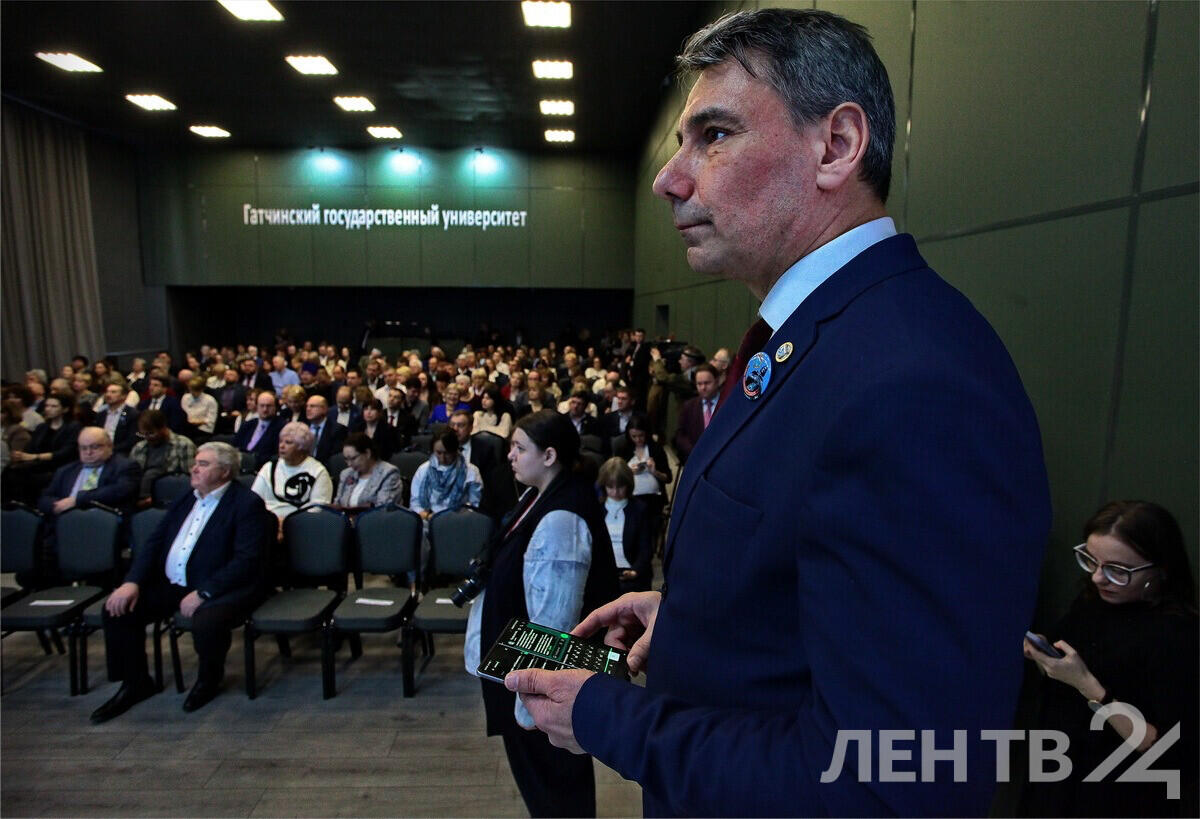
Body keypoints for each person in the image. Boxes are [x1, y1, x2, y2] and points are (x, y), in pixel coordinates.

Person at [504, 10, 1051, 817]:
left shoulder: (916, 383)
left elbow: (887, 781)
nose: (669, 179)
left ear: (837, 146)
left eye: (715, 135)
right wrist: (703, 624)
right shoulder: (825, 336)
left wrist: (610, 717)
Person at [463, 409, 619, 817]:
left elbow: (555, 620)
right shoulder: (539, 496)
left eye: (519, 448)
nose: (510, 455)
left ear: (549, 456)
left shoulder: (561, 517)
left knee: (554, 788)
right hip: (523, 673)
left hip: (541, 688)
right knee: (544, 786)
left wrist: (531, 703)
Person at [1021, 501, 1198, 817]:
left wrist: (1089, 686)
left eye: (1118, 570)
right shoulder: (1093, 602)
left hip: (1117, 798)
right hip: (1057, 781)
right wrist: (1044, 655)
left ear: (1160, 570)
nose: (1098, 578)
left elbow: (1168, 752)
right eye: (1091, 560)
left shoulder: (1177, 636)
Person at [91, 442, 271, 722]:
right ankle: (135, 682)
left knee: (207, 621)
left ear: (225, 471)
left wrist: (204, 592)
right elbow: (154, 542)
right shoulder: (187, 497)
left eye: (203, 464)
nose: (194, 469)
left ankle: (208, 680)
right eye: (195, 462)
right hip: (176, 582)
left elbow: (246, 560)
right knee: (118, 609)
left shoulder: (246, 503)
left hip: (223, 586)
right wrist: (132, 582)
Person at [251, 421, 333, 533]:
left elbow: (318, 508)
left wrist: (286, 523)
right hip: (267, 524)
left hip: (300, 527)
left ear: (302, 447)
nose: (281, 446)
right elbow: (254, 500)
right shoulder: (269, 467)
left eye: (288, 443)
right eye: (281, 441)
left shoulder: (318, 472)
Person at [597, 457, 654, 594]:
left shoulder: (640, 509)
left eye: (620, 486)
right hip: (602, 574)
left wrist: (635, 570)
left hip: (632, 573)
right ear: (604, 486)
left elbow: (646, 547)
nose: (615, 492)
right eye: (610, 487)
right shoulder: (596, 509)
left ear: (628, 484)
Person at [408, 429, 482, 521]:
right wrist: (428, 516)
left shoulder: (471, 472)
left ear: (455, 450)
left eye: (447, 453)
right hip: (428, 519)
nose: (442, 458)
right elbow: (415, 503)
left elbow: (474, 505)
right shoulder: (423, 470)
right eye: (438, 453)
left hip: (459, 520)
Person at [129, 409, 196, 508]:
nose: (147, 437)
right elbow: (130, 477)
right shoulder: (139, 448)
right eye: (143, 434)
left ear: (163, 428)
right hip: (139, 500)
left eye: (151, 433)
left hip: (171, 498)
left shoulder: (183, 445)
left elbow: (191, 479)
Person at [616, 415, 671, 528]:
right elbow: (615, 476)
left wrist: (654, 472)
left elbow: (668, 478)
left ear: (647, 433)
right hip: (630, 498)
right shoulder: (623, 449)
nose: (638, 440)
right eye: (634, 436)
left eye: (641, 435)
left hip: (653, 498)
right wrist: (628, 472)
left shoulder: (656, 449)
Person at [333, 432, 402, 510]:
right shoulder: (346, 474)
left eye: (353, 458)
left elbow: (383, 508)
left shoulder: (388, 473)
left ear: (367, 453)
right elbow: (337, 504)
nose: (349, 464)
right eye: (346, 459)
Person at [671, 363, 720, 464]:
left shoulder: (726, 404)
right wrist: (693, 451)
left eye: (707, 383)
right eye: (699, 384)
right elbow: (680, 435)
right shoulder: (689, 406)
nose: (703, 387)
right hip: (696, 460)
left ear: (717, 381)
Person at [232, 390, 283, 471]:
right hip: (240, 465)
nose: (265, 409)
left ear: (276, 407)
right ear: (257, 406)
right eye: (262, 406)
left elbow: (276, 455)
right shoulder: (248, 425)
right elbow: (235, 446)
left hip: (262, 468)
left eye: (269, 406)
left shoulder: (282, 427)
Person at [347, 398, 399, 464]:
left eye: (372, 409)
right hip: (359, 463)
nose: (368, 412)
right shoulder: (357, 428)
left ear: (379, 412)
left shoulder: (389, 430)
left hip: (382, 463)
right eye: (366, 409)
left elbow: (389, 453)